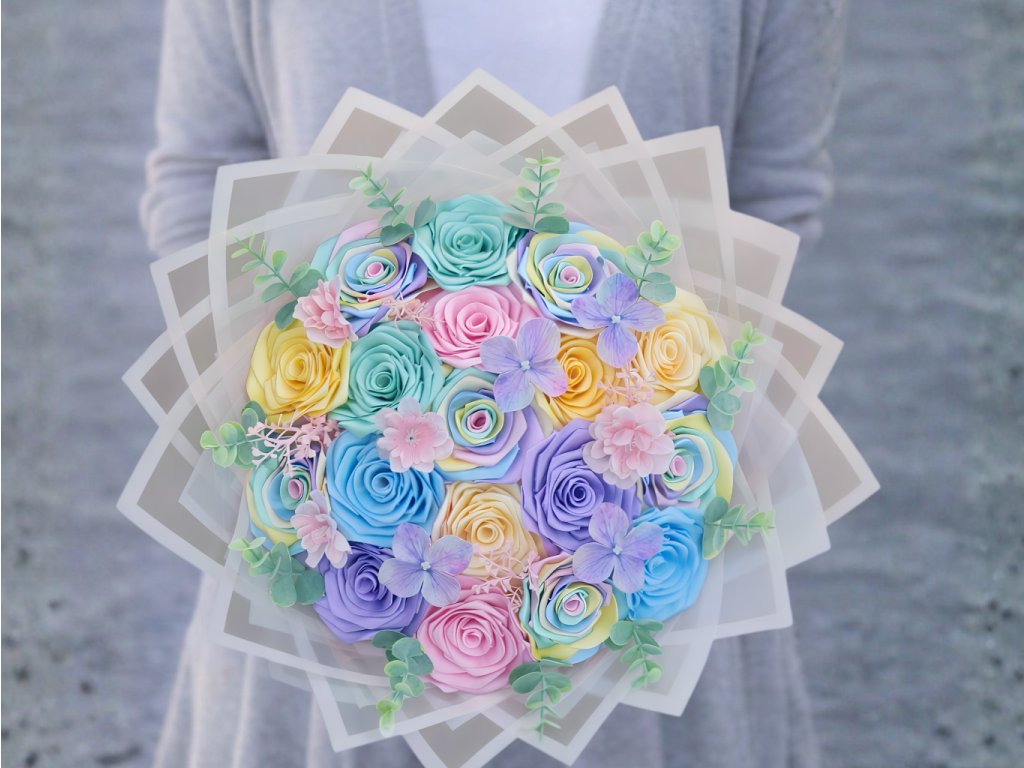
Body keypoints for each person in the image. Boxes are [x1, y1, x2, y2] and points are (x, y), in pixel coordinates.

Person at [142, 2, 845, 766]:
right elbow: (200, 182)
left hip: (642, 553)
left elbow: (773, 198)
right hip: (332, 555)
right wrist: (307, 432)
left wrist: (649, 424)